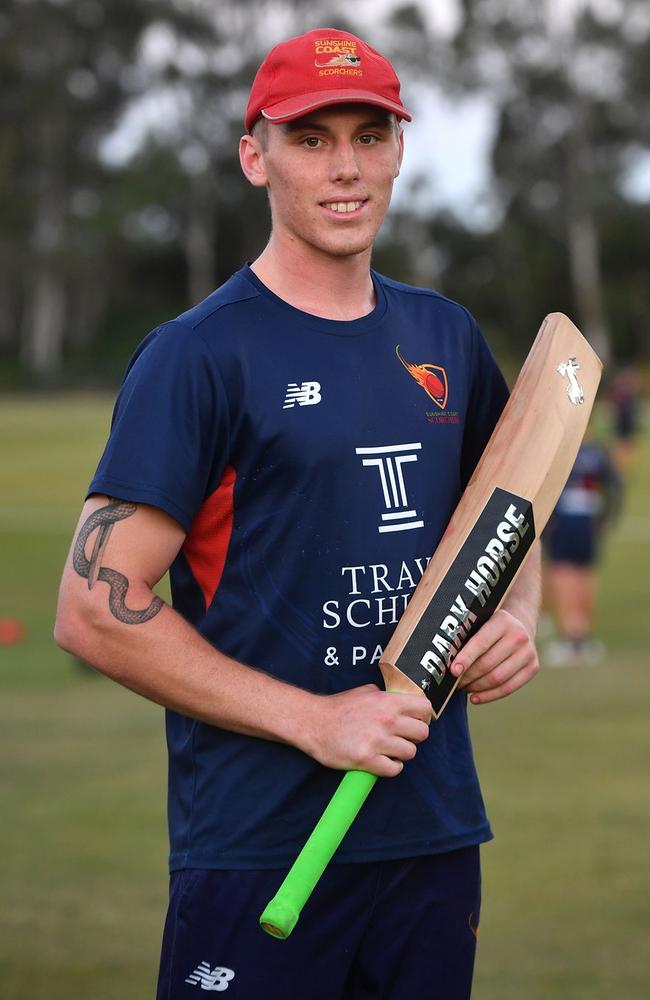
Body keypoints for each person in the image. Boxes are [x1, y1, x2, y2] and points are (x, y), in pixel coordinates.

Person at [55, 28, 540, 1000]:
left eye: (370, 134)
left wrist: (515, 618)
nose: (347, 166)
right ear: (254, 156)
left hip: (430, 836)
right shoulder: (198, 357)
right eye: (311, 139)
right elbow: (94, 608)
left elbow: (508, 508)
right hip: (261, 844)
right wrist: (315, 720)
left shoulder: (443, 333)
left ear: (400, 148)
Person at [543, 436, 621, 667]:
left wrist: (547, 525)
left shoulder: (558, 450)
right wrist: (606, 518)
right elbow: (615, 487)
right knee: (585, 575)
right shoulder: (597, 453)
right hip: (588, 520)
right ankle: (583, 636)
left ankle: (572, 640)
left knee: (564, 576)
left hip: (565, 522)